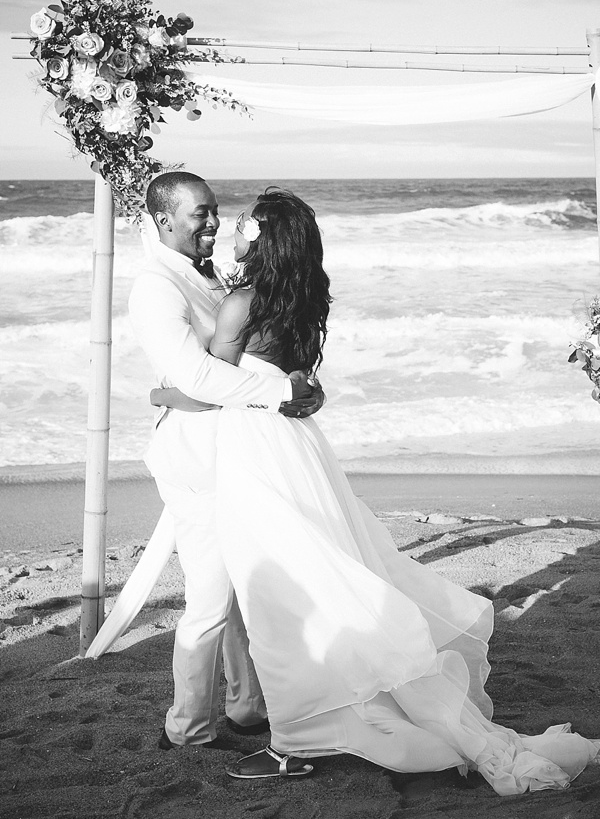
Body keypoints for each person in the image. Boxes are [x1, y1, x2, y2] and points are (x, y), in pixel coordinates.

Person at [153, 187, 599, 792]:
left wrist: (157, 394)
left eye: (240, 226)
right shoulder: (302, 300)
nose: (231, 232)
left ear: (260, 239)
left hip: (256, 455)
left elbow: (208, 387)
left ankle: (292, 742)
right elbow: (294, 378)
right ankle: (304, 723)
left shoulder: (242, 303)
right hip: (299, 448)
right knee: (318, 570)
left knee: (278, 594)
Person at [125, 172, 323, 751]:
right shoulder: (155, 288)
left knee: (238, 583)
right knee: (211, 596)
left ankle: (244, 706)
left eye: (215, 211)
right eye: (199, 214)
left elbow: (254, 353)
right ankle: (189, 725)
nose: (213, 222)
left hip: (240, 449)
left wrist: (295, 382)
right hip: (195, 454)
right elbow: (197, 375)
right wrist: (279, 392)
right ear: (164, 221)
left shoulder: (217, 277)